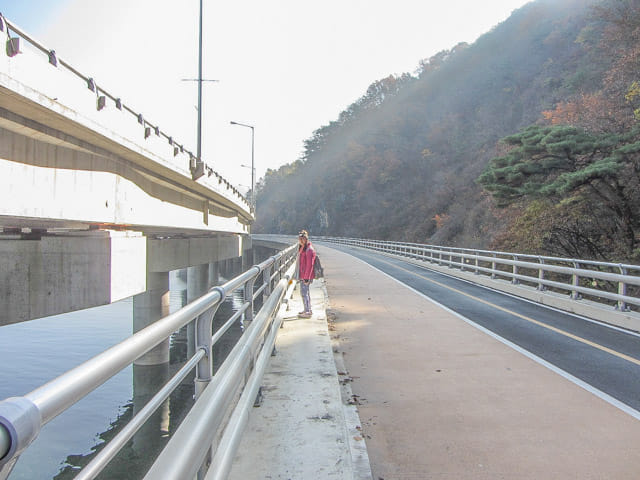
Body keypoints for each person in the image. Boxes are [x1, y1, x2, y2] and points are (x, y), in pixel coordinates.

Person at [296, 230, 316, 318]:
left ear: (306, 238)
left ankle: (308, 312)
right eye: (300, 239)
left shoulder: (309, 250)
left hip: (306, 276)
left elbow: (310, 265)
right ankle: (307, 309)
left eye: (303, 238)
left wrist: (307, 278)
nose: (301, 240)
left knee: (304, 292)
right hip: (303, 274)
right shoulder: (303, 248)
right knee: (304, 292)